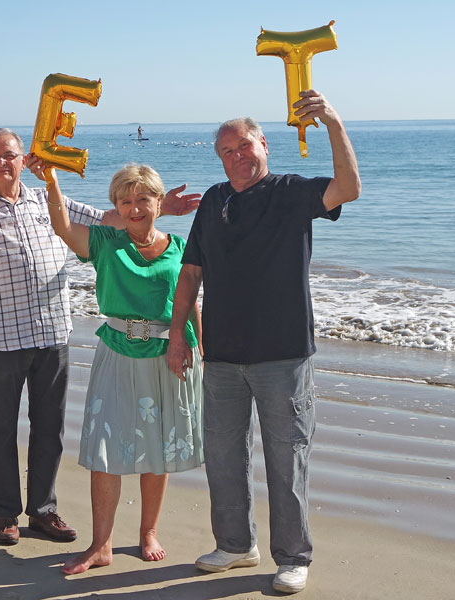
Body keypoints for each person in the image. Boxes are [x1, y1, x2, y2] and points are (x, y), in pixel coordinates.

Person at [0, 128, 200, 545]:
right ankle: (5, 515)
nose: (1, 162)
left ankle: (43, 511)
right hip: (0, 339)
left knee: (49, 427)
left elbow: (105, 219)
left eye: (9, 154)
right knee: (1, 429)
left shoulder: (44, 198)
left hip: (51, 331)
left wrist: (160, 209)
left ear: (22, 159)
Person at [166, 90, 360, 594]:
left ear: (264, 145)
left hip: (283, 355)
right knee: (223, 455)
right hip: (222, 355)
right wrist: (177, 335)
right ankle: (235, 545)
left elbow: (349, 188)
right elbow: (191, 273)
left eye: (244, 146)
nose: (237, 156)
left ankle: (293, 557)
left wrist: (333, 123)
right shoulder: (214, 200)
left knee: (286, 458)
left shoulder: (290, 192)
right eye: (227, 151)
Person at [32, 161, 204, 575]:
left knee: (158, 449)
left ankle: (148, 532)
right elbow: (62, 226)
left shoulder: (180, 247)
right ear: (116, 207)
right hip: (117, 352)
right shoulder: (105, 241)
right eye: (125, 202)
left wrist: (205, 351)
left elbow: (189, 302)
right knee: (105, 451)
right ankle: (101, 545)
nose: (134, 208)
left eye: (143, 199)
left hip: (169, 354)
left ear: (159, 203)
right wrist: (52, 181)